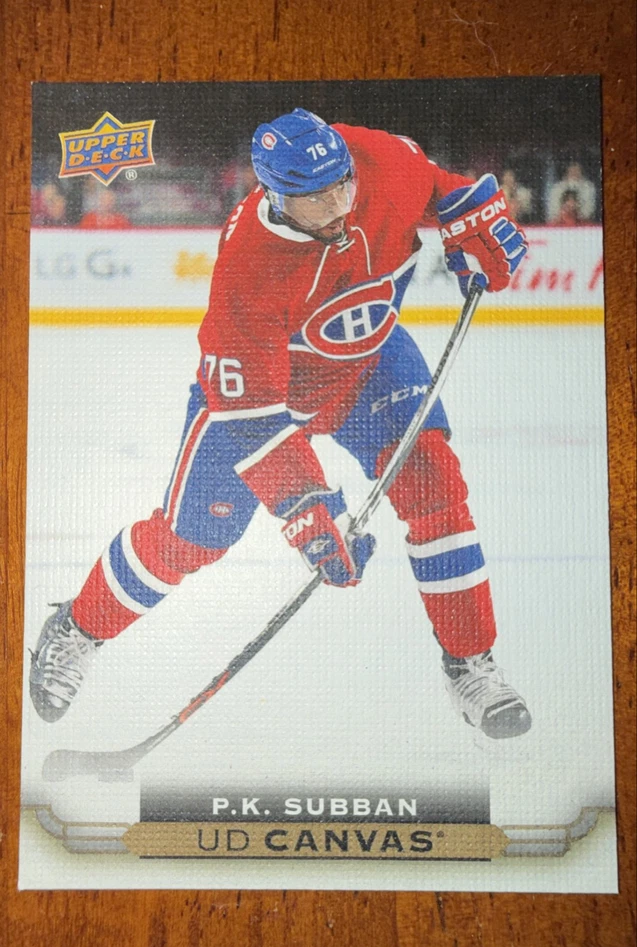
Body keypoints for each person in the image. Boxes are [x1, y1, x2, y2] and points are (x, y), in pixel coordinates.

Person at [30, 109, 532, 739]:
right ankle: (78, 629)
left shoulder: (379, 161)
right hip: (265, 402)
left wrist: (474, 218)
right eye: (316, 200)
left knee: (435, 487)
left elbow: (443, 188)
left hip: (368, 361)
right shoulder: (248, 265)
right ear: (275, 195)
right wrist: (309, 510)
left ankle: (471, 664)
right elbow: (252, 413)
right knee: (192, 539)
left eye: (342, 187)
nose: (338, 207)